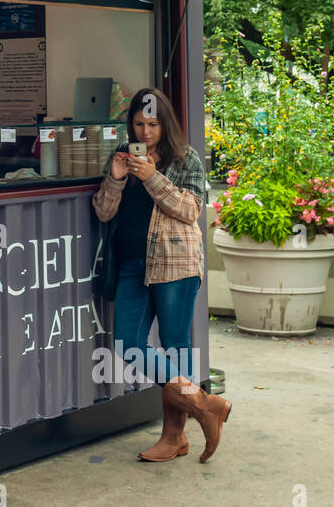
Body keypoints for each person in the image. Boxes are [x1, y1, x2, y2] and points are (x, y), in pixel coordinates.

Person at [91, 87, 231, 463]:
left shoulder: (187, 158)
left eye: (152, 124)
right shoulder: (120, 156)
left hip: (176, 263)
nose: (145, 132)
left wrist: (153, 177)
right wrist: (117, 177)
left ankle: (174, 437)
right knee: (127, 343)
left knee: (175, 344)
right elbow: (104, 212)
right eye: (138, 123)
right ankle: (204, 403)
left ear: (164, 122)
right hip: (131, 265)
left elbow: (189, 209)